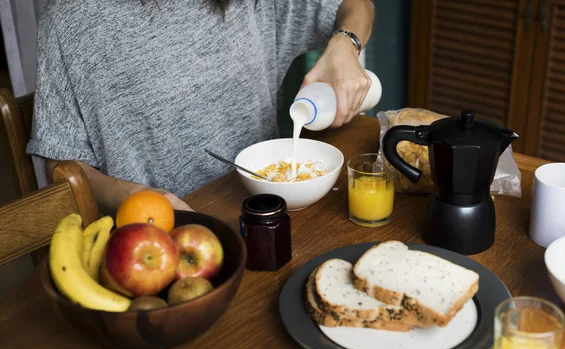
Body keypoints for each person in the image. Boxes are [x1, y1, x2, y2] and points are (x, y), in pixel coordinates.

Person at [27, 0, 375, 213]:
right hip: (157, 242)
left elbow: (359, 5)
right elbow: (61, 167)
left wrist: (346, 45)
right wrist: (133, 197)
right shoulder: (72, 20)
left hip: (267, 211)